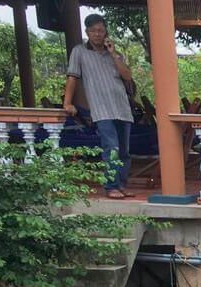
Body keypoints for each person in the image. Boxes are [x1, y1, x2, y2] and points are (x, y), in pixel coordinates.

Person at [63, 13, 136, 199]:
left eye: (101, 30)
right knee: (111, 147)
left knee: (124, 151)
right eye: (93, 30)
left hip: (122, 108)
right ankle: (111, 186)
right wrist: (67, 102)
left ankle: (121, 185)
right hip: (101, 109)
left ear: (106, 33)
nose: (97, 34)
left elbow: (127, 76)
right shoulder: (79, 51)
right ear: (87, 32)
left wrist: (113, 54)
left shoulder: (116, 54)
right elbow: (72, 77)